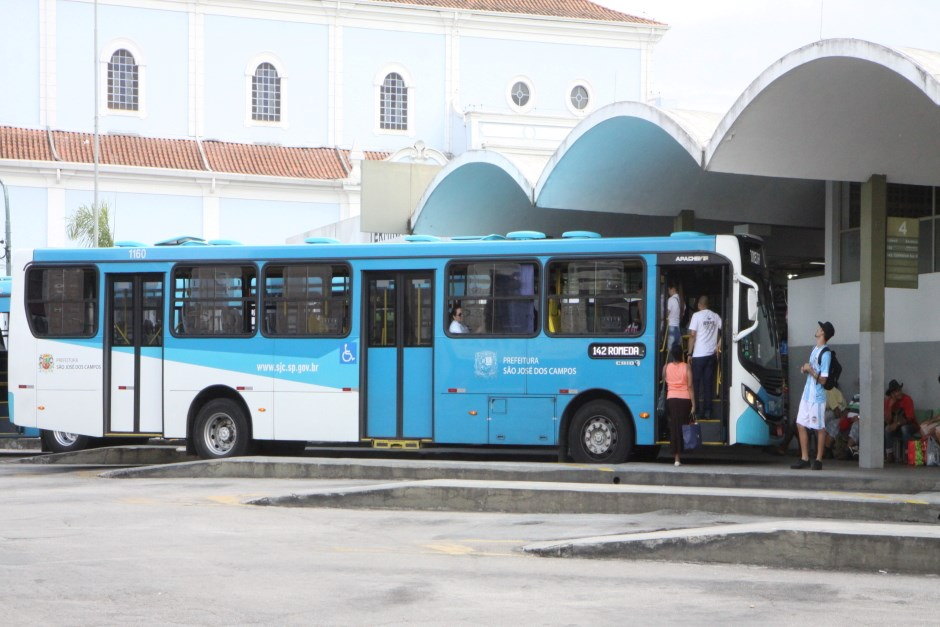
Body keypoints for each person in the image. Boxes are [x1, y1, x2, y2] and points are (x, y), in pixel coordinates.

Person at [791, 320, 835, 470]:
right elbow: (812, 369)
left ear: (823, 332)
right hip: (807, 394)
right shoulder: (814, 349)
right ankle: (804, 457)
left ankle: (818, 459)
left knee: (819, 428)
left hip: (817, 396)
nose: (817, 329)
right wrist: (805, 368)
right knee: (800, 423)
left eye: (820, 328)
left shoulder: (826, 353)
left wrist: (810, 371)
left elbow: (823, 379)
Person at [687, 295, 721, 419]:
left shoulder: (696, 316)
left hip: (698, 355)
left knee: (695, 384)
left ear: (699, 305)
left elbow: (692, 335)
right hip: (711, 355)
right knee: (708, 384)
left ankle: (696, 411)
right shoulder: (716, 316)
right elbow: (726, 329)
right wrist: (718, 345)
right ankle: (708, 411)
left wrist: (689, 353)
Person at [662, 342, 694, 466]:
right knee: (683, 427)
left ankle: (676, 458)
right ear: (681, 354)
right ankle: (684, 450)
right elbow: (690, 386)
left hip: (672, 399)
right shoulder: (686, 367)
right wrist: (694, 404)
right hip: (685, 400)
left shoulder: (666, 367)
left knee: (674, 427)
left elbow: (664, 380)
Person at [884, 379, 916, 462]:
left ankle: (907, 455)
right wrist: (890, 407)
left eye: (900, 390)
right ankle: (889, 455)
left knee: (904, 428)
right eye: (896, 391)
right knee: (887, 429)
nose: (899, 393)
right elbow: (887, 421)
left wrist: (897, 424)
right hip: (897, 428)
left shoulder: (907, 399)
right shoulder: (888, 402)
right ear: (892, 394)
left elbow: (910, 418)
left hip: (911, 426)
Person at [822, 384, 847, 458]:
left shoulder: (830, 391)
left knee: (833, 424)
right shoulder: (835, 391)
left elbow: (837, 410)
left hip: (840, 414)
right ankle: (825, 449)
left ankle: (825, 449)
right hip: (837, 413)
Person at [663, 281, 683, 352]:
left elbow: (666, 314)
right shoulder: (681, 300)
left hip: (671, 327)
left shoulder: (671, 300)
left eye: (668, 289)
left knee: (670, 351)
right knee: (676, 350)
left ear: (673, 289)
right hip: (678, 328)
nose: (668, 292)